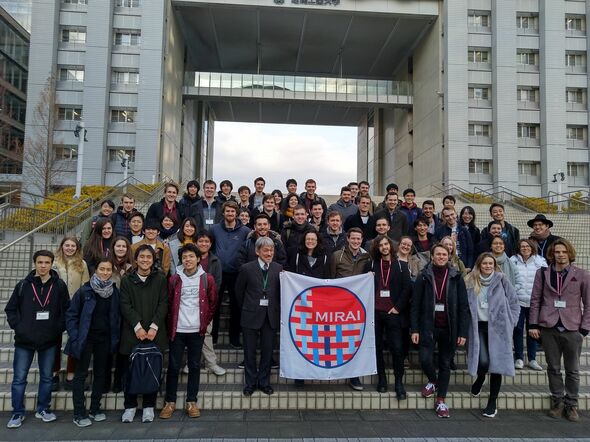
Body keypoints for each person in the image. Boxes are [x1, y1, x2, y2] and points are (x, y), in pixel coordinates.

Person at [5, 250, 70, 429]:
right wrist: (19, 327)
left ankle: (43, 409)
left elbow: (67, 309)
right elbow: (11, 309)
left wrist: (58, 328)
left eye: (47, 262)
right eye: (40, 262)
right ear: (35, 263)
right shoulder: (23, 285)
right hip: (24, 341)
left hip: (49, 340)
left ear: (51, 264)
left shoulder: (59, 286)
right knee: (19, 379)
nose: (43, 266)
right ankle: (17, 413)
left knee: (47, 377)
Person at [529, 239, 590, 422]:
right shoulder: (543, 273)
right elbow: (535, 300)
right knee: (553, 368)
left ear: (569, 253)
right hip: (549, 327)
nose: (560, 255)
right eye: (557, 252)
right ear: (552, 254)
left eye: (564, 252)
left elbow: (588, 304)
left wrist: (584, 329)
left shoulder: (582, 274)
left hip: (573, 328)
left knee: (573, 370)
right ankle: (558, 402)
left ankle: (571, 405)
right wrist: (533, 324)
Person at [160, 244, 218, 419]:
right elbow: (169, 303)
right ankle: (169, 402)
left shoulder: (207, 279)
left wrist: (204, 322)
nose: (188, 260)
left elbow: (212, 303)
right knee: (173, 366)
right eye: (184, 257)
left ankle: (191, 402)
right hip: (177, 330)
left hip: (196, 331)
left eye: (191, 256)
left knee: (194, 366)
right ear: (181, 260)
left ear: (198, 259)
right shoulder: (174, 279)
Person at [411, 244, 469, 418]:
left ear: (449, 256)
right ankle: (433, 381)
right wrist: (414, 329)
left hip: (450, 329)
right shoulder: (423, 277)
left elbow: (463, 307)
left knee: (445, 364)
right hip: (428, 327)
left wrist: (463, 333)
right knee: (425, 359)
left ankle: (441, 401)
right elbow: (415, 305)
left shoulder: (456, 277)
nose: (441, 257)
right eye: (438, 254)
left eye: (444, 254)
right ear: (432, 256)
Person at [65, 258, 121, 427]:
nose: (105, 272)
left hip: (104, 339)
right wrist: (75, 336)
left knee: (100, 374)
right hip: (85, 339)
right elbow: (71, 315)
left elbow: (116, 316)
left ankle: (95, 409)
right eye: (102, 269)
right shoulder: (84, 291)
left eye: (108, 269)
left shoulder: (114, 291)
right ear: (95, 270)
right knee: (80, 375)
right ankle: (79, 412)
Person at [465, 253, 520, 418]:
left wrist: (511, 323)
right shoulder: (469, 281)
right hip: (478, 327)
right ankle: (481, 378)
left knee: (497, 366)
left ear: (494, 265)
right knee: (483, 361)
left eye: (491, 263)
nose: (488, 266)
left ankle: (492, 402)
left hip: (498, 328)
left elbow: (514, 302)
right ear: (479, 264)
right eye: (485, 263)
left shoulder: (502, 280)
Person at [119, 245, 168, 424]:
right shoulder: (127, 280)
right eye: (142, 257)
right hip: (133, 333)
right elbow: (124, 305)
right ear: (136, 259)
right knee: (130, 371)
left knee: (152, 369)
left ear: (153, 259)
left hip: (155, 332)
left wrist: (154, 326)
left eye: (149, 257)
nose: (145, 260)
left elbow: (164, 303)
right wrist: (137, 326)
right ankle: (130, 406)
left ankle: (149, 406)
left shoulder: (160, 279)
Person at [235, 237, 282, 396]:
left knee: (267, 352)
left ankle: (264, 382)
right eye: (266, 250)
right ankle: (250, 383)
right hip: (250, 315)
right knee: (249, 352)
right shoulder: (246, 268)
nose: (269, 253)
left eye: (271, 250)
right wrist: (248, 307)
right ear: (257, 251)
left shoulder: (278, 268)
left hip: (270, 316)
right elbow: (239, 292)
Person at [330, 227, 372, 391]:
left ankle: (354, 376)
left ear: (362, 240)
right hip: (339, 305)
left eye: (358, 239)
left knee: (353, 340)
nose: (355, 241)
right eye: (353, 238)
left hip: (357, 307)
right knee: (336, 338)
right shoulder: (337, 256)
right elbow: (330, 279)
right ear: (347, 238)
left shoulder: (367, 257)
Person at [370, 234, 411, 398]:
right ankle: (382, 379)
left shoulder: (401, 265)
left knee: (397, 349)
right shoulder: (372, 265)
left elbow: (407, 289)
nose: (384, 247)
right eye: (381, 245)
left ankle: (399, 383)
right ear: (377, 248)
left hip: (393, 313)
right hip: (376, 313)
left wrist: (397, 307)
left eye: (386, 244)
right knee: (377, 348)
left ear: (391, 246)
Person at [209, 201, 251, 348]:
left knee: (236, 306)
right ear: (223, 212)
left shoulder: (245, 231)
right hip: (218, 273)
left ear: (237, 213)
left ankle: (234, 338)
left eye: (233, 211)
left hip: (237, 274)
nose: (230, 214)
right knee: (215, 305)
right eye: (228, 211)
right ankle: (212, 337)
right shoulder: (214, 229)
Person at [52, 237, 90, 391]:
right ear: (62, 246)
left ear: (77, 248)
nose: (69, 248)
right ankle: (53, 374)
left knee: (74, 340)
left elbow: (85, 285)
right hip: (56, 308)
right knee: (54, 342)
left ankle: (70, 375)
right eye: (66, 245)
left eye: (72, 246)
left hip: (75, 307)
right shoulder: (54, 262)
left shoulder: (82, 263)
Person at [510, 239, 547, 371]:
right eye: (522, 246)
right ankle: (519, 358)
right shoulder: (512, 260)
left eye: (527, 246)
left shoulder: (540, 261)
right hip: (518, 301)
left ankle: (532, 359)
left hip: (534, 302)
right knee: (518, 329)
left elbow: (545, 281)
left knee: (533, 331)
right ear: (518, 248)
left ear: (532, 248)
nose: (525, 248)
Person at [193, 232, 226, 376]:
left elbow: (217, 284)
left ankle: (211, 364)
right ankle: (191, 362)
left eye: (207, 241)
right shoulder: (190, 257)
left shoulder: (215, 261)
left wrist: (208, 301)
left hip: (207, 303)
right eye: (201, 241)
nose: (204, 244)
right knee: (191, 334)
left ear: (210, 244)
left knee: (206, 333)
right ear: (196, 242)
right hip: (190, 303)